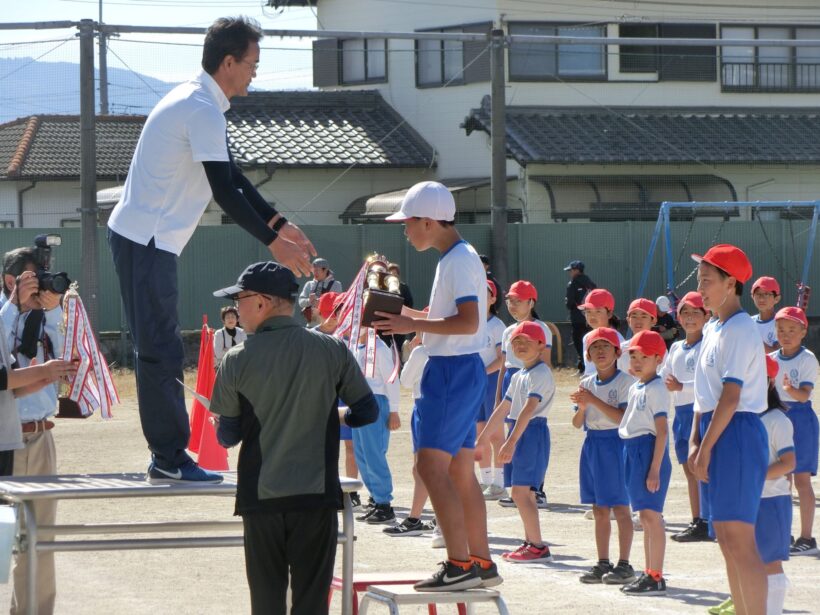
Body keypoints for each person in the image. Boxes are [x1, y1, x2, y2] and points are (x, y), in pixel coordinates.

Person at [107, 16, 315, 483]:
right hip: (144, 239)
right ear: (228, 62)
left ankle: (168, 455)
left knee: (158, 345)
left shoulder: (202, 104)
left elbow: (235, 177)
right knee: (158, 348)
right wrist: (273, 243)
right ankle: (168, 456)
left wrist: (281, 224)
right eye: (251, 63)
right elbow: (223, 191)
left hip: (150, 240)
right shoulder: (199, 107)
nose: (254, 73)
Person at [209, 261, 379, 615]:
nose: (236, 309)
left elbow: (228, 436)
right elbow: (367, 412)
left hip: (261, 499)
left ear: (262, 302)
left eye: (240, 299)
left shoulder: (236, 359)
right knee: (312, 603)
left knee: (267, 604)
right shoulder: (331, 349)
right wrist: (329, 414)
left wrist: (221, 426)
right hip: (316, 497)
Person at [375, 180, 501, 591]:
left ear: (428, 222)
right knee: (461, 472)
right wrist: (394, 308)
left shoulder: (458, 259)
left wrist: (412, 323)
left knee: (430, 467)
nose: (405, 230)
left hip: (450, 372)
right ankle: (479, 562)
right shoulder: (456, 257)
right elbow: (446, 315)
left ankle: (459, 564)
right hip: (458, 370)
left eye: (408, 222)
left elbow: (466, 322)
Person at [691, 244, 769, 615]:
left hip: (736, 432)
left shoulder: (739, 328)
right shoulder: (713, 327)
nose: (701, 287)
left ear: (731, 283)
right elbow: (704, 396)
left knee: (740, 539)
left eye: (708, 280)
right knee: (724, 536)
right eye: (699, 279)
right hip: (717, 428)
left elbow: (731, 396)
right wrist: (696, 439)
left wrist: (705, 447)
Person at [0, 248, 78, 615]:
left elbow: (68, 361)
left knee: (40, 541)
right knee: (2, 539)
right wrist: (14, 306)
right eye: (33, 281)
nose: (40, 288)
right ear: (11, 281)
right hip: (5, 440)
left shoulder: (47, 315)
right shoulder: (4, 314)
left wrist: (51, 310)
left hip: (42, 435)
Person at [477, 321, 555, 563]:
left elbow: (528, 410)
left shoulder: (541, 373)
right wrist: (482, 439)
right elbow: (504, 407)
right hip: (519, 431)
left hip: (531, 432)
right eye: (516, 342)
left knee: (522, 493)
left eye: (527, 342)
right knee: (522, 493)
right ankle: (531, 542)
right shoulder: (520, 374)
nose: (520, 346)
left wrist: (510, 442)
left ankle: (537, 546)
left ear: (542, 345)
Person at [570, 327, 635, 586]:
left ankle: (625, 563)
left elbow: (622, 419)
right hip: (593, 445)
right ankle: (603, 562)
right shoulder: (586, 384)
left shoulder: (625, 382)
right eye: (595, 347)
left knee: (620, 507)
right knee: (598, 508)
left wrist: (593, 401)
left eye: (605, 346)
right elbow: (577, 423)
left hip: (615, 445)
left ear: (617, 352)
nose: (600, 351)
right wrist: (583, 406)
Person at [618, 330, 672, 596]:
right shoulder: (636, 385)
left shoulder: (657, 388)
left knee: (652, 517)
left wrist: (654, 468)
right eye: (634, 355)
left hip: (648, 452)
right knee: (644, 517)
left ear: (658, 359)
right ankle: (649, 572)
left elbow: (662, 431)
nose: (637, 361)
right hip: (633, 450)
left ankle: (656, 575)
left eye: (645, 356)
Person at [494, 281, 552, 508]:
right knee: (513, 433)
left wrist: (541, 394)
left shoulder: (542, 329)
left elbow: (545, 364)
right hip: (513, 381)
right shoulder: (509, 331)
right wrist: (498, 396)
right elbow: (504, 365)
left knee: (531, 435)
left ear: (531, 302)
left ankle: (537, 488)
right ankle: (517, 486)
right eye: (510, 300)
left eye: (519, 300)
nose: (513, 305)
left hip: (532, 383)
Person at [660, 291, 710, 543]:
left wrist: (682, 387)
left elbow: (709, 382)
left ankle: (712, 519)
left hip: (700, 412)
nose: (690, 318)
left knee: (705, 468)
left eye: (696, 312)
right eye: (685, 313)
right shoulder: (676, 347)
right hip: (680, 415)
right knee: (689, 470)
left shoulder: (709, 345)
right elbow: (663, 376)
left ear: (707, 315)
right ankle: (698, 520)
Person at [769, 306, 818, 556]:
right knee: (782, 480)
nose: (785, 334)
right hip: (779, 420)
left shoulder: (807, 358)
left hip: (801, 421)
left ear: (803, 332)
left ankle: (807, 537)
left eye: (791, 330)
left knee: (801, 480)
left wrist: (789, 389)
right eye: (781, 330)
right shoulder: (773, 359)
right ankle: (783, 532)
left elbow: (804, 395)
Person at [383, 333, 437, 538]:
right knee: (429, 467)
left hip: (423, 406)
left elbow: (404, 381)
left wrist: (411, 354)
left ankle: (416, 519)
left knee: (423, 467)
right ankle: (425, 517)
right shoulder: (444, 351)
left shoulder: (422, 351)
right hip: (434, 407)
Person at [351, 325, 401, 525]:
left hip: (376, 401)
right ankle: (375, 498)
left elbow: (391, 380)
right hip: (359, 401)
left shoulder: (378, 348)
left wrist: (394, 410)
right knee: (361, 453)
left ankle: (384, 504)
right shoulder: (357, 347)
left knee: (374, 453)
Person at [475, 280, 506, 499]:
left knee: (495, 434)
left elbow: (502, 359)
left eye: (485, 293)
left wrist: (483, 372)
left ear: (493, 299)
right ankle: (485, 481)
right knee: (479, 432)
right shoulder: (470, 323)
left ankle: (500, 482)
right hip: (474, 384)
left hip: (492, 381)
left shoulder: (497, 326)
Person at [579, 289, 624, 378]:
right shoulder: (587, 338)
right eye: (588, 311)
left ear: (609, 314)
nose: (592, 316)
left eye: (598, 311)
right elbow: (590, 370)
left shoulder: (618, 339)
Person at [565, 260, 597, 373]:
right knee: (591, 342)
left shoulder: (572, 284)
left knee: (579, 343)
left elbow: (569, 303)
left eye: (571, 270)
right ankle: (592, 366)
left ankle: (582, 367)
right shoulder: (591, 284)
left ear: (577, 270)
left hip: (577, 319)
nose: (570, 273)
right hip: (591, 319)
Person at [298, 258, 342, 326]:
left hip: (327, 326)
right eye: (313, 270)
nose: (315, 273)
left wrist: (321, 303)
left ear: (325, 270)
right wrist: (309, 301)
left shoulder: (336, 285)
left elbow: (337, 305)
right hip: (311, 325)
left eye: (317, 270)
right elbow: (301, 302)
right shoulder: (309, 284)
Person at [618, 298, 657, 374]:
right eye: (634, 316)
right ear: (628, 320)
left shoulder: (658, 347)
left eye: (644, 316)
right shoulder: (622, 348)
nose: (638, 320)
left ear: (653, 321)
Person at [752, 276, 781, 353]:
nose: (761, 298)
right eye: (758, 294)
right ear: (752, 297)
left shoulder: (781, 323)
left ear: (777, 299)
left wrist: (753, 339)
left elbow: (778, 355)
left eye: (767, 294)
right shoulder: (748, 322)